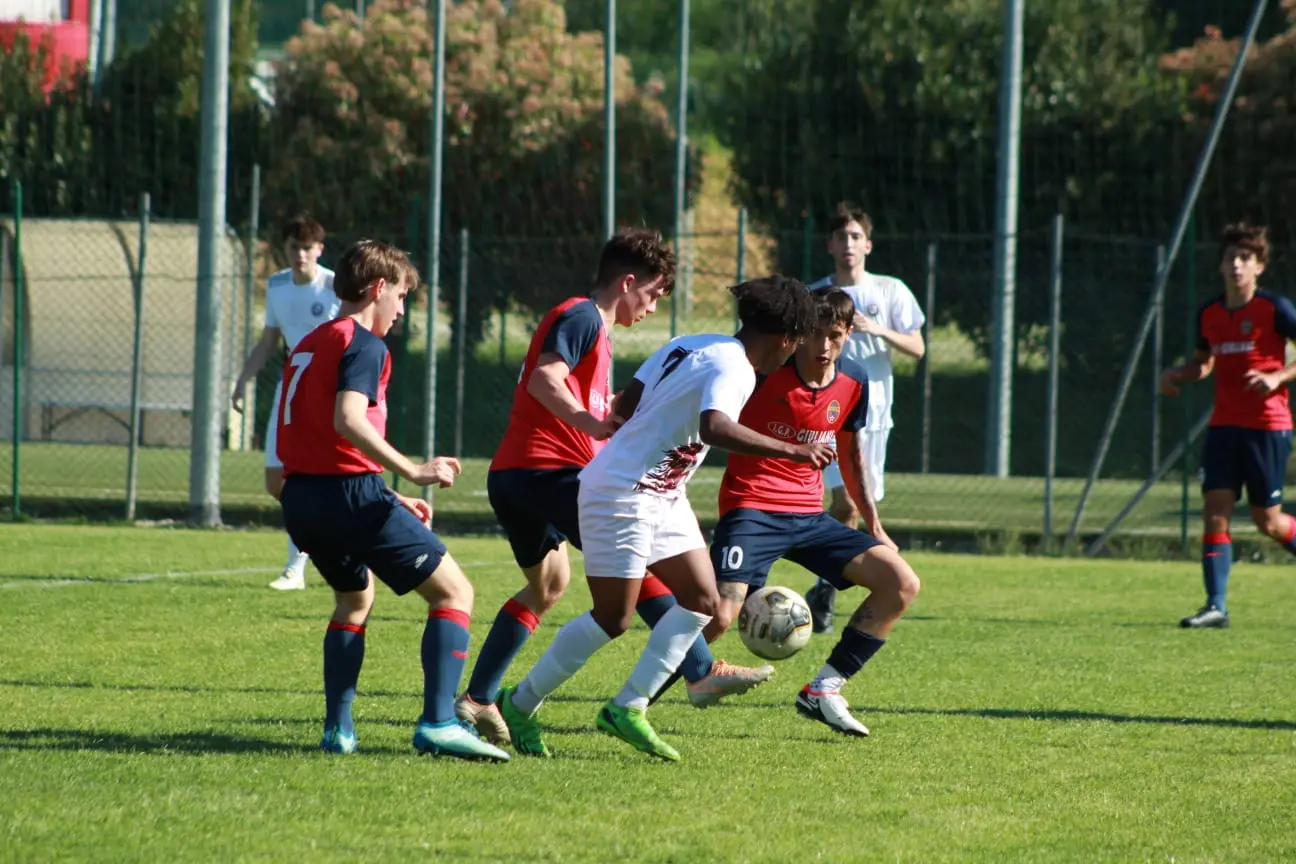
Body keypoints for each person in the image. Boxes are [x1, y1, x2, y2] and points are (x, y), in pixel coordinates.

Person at [496, 276, 833, 761]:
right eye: (797, 342)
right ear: (785, 339)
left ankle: (628, 707)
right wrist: (793, 450)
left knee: (703, 601)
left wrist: (649, 436)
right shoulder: (735, 368)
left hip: (661, 491)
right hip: (622, 492)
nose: (792, 353)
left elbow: (629, 400)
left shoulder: (691, 343)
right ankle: (520, 703)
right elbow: (715, 426)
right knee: (614, 617)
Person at [456, 230, 772, 745]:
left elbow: (592, 396)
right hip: (549, 472)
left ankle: (478, 701)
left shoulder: (594, 329)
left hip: (516, 474)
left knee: (548, 587)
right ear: (627, 282)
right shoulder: (583, 315)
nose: (651, 307)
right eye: (651, 294)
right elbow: (544, 379)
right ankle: (698, 669)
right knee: (637, 563)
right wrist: (588, 421)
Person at [277, 239, 508, 762]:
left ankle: (338, 730)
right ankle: (440, 723)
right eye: (401, 297)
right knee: (455, 594)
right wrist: (412, 470)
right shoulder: (363, 343)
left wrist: (391, 496)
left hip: (303, 500)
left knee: (355, 599)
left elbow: (323, 439)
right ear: (379, 289)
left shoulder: (312, 341)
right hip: (348, 496)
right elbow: (348, 421)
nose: (401, 311)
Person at [699, 288, 920, 737]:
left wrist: (874, 525)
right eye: (814, 335)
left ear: (847, 335)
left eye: (834, 336)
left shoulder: (855, 381)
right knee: (721, 613)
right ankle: (641, 693)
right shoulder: (761, 374)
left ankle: (824, 689)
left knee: (901, 583)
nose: (823, 348)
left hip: (810, 517)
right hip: (752, 506)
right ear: (797, 336)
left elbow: (851, 458)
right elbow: (714, 422)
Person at [1159, 222, 1296, 629]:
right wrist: (1178, 374)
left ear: (1259, 267)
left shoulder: (1276, 310)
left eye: (1245, 259)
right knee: (1214, 510)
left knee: (1267, 522)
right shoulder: (1211, 313)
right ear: (1220, 267)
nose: (1236, 266)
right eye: (1230, 259)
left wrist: (1276, 377)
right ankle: (1215, 605)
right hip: (1224, 426)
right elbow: (1205, 362)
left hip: (1267, 426)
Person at [804, 202, 925, 634]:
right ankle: (831, 584)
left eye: (856, 236)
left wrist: (879, 329)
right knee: (846, 503)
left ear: (867, 244)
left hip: (873, 418)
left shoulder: (889, 291)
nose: (849, 244)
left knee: (854, 506)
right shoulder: (818, 294)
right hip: (825, 417)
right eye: (841, 237)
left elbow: (918, 347)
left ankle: (825, 587)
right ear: (830, 245)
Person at [232, 214, 340, 591]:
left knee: (312, 475)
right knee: (276, 479)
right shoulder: (278, 286)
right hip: (291, 386)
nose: (301, 255)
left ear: (319, 250)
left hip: (328, 389)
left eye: (308, 248)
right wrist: (243, 380)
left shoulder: (334, 286)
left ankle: (295, 566)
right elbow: (268, 341)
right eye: (294, 248)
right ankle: (319, 541)